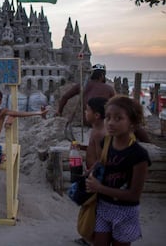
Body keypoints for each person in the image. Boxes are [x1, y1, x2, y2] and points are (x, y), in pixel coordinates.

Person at [86, 95, 151, 246]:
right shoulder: (106, 142)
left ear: (132, 124)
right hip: (103, 207)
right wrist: (92, 170)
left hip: (126, 212)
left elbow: (134, 195)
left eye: (118, 118)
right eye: (107, 117)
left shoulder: (138, 155)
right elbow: (103, 162)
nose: (110, 123)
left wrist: (100, 188)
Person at [56, 63, 151, 143]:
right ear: (102, 76)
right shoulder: (108, 88)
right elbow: (118, 105)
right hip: (101, 121)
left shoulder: (82, 85)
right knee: (135, 127)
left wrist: (59, 111)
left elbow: (65, 97)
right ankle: (148, 144)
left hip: (86, 120)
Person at [74, 97, 108, 246]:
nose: (84, 112)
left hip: (97, 176)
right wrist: (81, 148)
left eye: (87, 110)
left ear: (97, 115)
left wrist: (89, 173)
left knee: (93, 211)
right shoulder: (95, 129)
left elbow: (102, 159)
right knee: (87, 208)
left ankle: (91, 239)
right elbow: (93, 149)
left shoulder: (102, 133)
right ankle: (88, 237)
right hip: (91, 172)